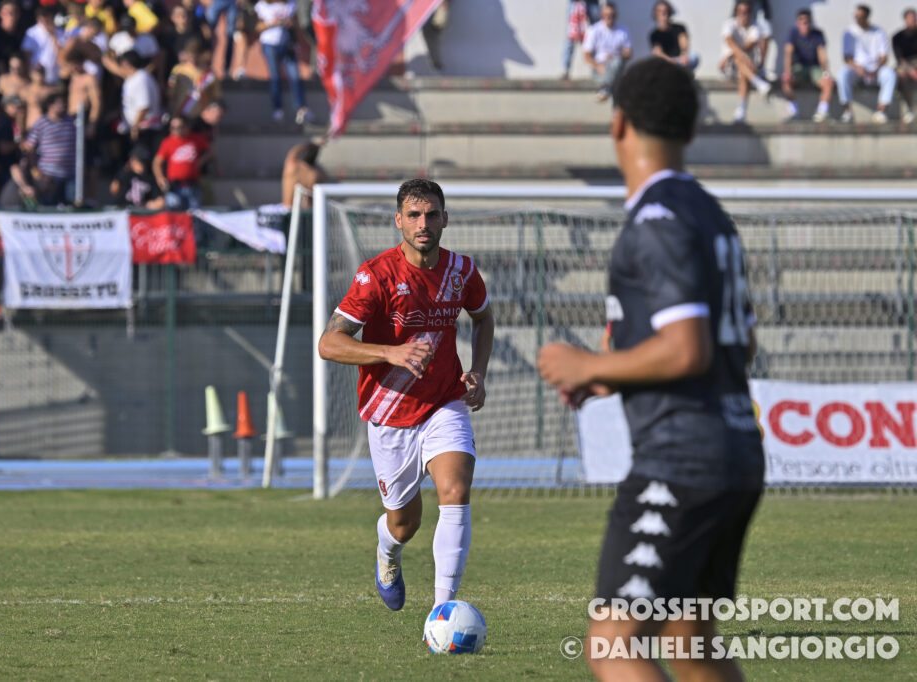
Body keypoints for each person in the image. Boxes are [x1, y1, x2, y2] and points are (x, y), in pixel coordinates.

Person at [537, 57, 763, 682]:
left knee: (614, 644)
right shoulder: (710, 214)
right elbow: (739, 345)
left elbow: (688, 349)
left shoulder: (655, 220)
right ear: (692, 130)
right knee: (690, 643)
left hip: (679, 462)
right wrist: (615, 374)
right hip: (736, 452)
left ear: (619, 124)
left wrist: (589, 362)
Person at [318, 178, 495, 612]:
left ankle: (442, 613)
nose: (423, 223)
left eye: (431, 214)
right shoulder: (375, 276)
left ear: (445, 219)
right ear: (399, 221)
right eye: (414, 215)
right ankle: (387, 551)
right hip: (389, 412)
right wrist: (389, 352)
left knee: (455, 491)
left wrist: (478, 371)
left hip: (445, 401)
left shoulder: (461, 272)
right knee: (404, 523)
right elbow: (329, 343)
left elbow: (484, 318)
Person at [838, 4, 896, 125]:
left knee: (890, 74)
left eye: (860, 16)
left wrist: (876, 69)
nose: (857, 19)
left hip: (876, 70)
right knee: (843, 74)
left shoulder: (879, 32)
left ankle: (881, 111)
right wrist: (857, 68)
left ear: (867, 16)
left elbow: (884, 56)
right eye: (856, 16)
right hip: (856, 69)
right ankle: (847, 111)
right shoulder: (849, 32)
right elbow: (847, 57)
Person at [255, 0, 311, 124]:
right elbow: (257, 27)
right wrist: (272, 23)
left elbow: (298, 24)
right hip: (269, 44)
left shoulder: (291, 4)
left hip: (287, 44)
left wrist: (290, 23)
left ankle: (301, 108)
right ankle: (278, 108)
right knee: (275, 77)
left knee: (295, 76)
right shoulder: (263, 5)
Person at [719, 0, 771, 124]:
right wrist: (741, 56)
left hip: (746, 67)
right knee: (739, 61)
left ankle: (741, 111)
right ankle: (758, 83)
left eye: (747, 12)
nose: (744, 15)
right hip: (730, 67)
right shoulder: (729, 24)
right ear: (736, 13)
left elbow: (748, 45)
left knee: (743, 73)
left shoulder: (755, 27)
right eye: (741, 12)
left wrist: (735, 55)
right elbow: (729, 41)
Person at [22, 91, 77, 205]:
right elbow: (30, 148)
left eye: (64, 103)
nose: (63, 105)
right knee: (49, 206)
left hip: (70, 174)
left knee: (70, 207)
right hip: (48, 176)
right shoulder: (41, 123)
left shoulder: (72, 122)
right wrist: (36, 173)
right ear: (50, 106)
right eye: (59, 103)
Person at [781, 9, 835, 122]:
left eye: (807, 21)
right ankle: (793, 111)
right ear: (797, 22)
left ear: (811, 22)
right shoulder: (792, 33)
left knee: (829, 83)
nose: (805, 23)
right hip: (798, 67)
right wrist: (787, 72)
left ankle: (822, 112)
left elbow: (822, 55)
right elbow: (788, 53)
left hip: (814, 68)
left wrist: (826, 73)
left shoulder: (818, 34)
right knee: (786, 80)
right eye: (802, 20)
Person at [153, 114, 213, 210]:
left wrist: (201, 161)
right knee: (175, 213)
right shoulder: (168, 142)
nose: (176, 130)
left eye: (179, 127)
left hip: (192, 185)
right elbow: (157, 162)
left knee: (194, 213)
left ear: (186, 127)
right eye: (173, 128)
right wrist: (160, 177)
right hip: (175, 186)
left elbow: (210, 152)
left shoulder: (195, 139)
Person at [582, 3, 633, 102]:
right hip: (599, 67)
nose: (609, 18)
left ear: (615, 15)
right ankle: (609, 90)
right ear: (601, 15)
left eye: (611, 15)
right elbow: (586, 56)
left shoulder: (623, 31)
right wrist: (598, 66)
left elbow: (629, 53)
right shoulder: (594, 30)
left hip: (617, 66)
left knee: (616, 62)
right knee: (616, 79)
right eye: (606, 15)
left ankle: (605, 88)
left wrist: (615, 56)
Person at [110, 143, 165, 208]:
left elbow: (160, 201)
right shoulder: (126, 174)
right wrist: (125, 170)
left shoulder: (150, 179)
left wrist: (148, 204)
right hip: (123, 208)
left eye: (144, 162)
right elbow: (113, 190)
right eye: (139, 162)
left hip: (141, 211)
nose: (142, 165)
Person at [649, 1, 698, 72]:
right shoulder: (654, 34)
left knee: (694, 57)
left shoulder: (679, 27)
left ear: (669, 13)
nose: (664, 14)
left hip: (680, 60)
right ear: (656, 14)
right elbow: (657, 53)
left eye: (666, 11)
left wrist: (684, 54)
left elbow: (684, 42)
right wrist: (670, 60)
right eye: (660, 11)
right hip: (666, 61)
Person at [562, 0, 601, 79]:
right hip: (575, 2)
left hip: (592, 2)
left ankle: (599, 68)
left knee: (598, 34)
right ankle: (566, 69)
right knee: (571, 35)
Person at [893, 8, 917, 124]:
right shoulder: (897, 37)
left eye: (914, 18)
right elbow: (900, 59)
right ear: (905, 20)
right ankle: (909, 108)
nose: (913, 20)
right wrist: (911, 70)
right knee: (901, 74)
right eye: (911, 18)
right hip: (906, 66)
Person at [421, 0, 449, 71]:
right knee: (430, 33)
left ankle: (436, 63)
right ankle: (435, 63)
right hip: (427, 7)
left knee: (434, 31)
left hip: (437, 7)